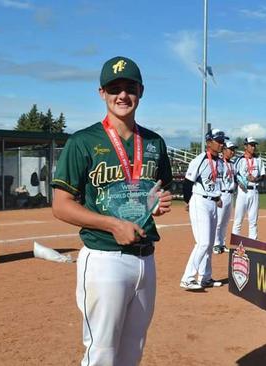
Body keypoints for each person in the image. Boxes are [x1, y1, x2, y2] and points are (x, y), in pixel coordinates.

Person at [51, 56, 174, 366]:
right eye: (114, 88)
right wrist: (111, 224)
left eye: (129, 88)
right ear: (101, 93)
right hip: (105, 258)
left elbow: (155, 191)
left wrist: (156, 204)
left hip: (146, 259)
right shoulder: (83, 142)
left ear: (141, 91)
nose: (122, 95)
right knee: (102, 354)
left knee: (132, 351)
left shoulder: (155, 143)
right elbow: (61, 205)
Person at [180, 129, 226, 290]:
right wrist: (188, 201)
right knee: (203, 242)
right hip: (200, 202)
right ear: (208, 142)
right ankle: (187, 278)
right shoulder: (199, 160)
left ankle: (205, 278)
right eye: (218, 141)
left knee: (210, 243)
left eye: (222, 141)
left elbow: (214, 183)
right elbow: (187, 182)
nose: (221, 144)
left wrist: (217, 197)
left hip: (213, 203)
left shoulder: (220, 162)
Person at [232, 137, 266, 239]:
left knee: (253, 220)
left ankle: (253, 244)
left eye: (254, 145)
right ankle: (235, 244)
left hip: (254, 191)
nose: (253, 147)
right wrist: (239, 182)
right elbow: (233, 174)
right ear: (245, 146)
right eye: (251, 145)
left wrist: (256, 179)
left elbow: (263, 176)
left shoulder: (258, 160)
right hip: (242, 192)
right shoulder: (239, 160)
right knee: (238, 220)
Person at [213, 139, 237, 254]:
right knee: (218, 221)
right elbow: (216, 180)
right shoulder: (219, 163)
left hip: (230, 194)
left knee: (226, 222)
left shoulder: (232, 164)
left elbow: (235, 179)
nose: (232, 152)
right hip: (222, 194)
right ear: (224, 150)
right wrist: (217, 197)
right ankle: (216, 244)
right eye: (230, 149)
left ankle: (222, 243)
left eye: (233, 150)